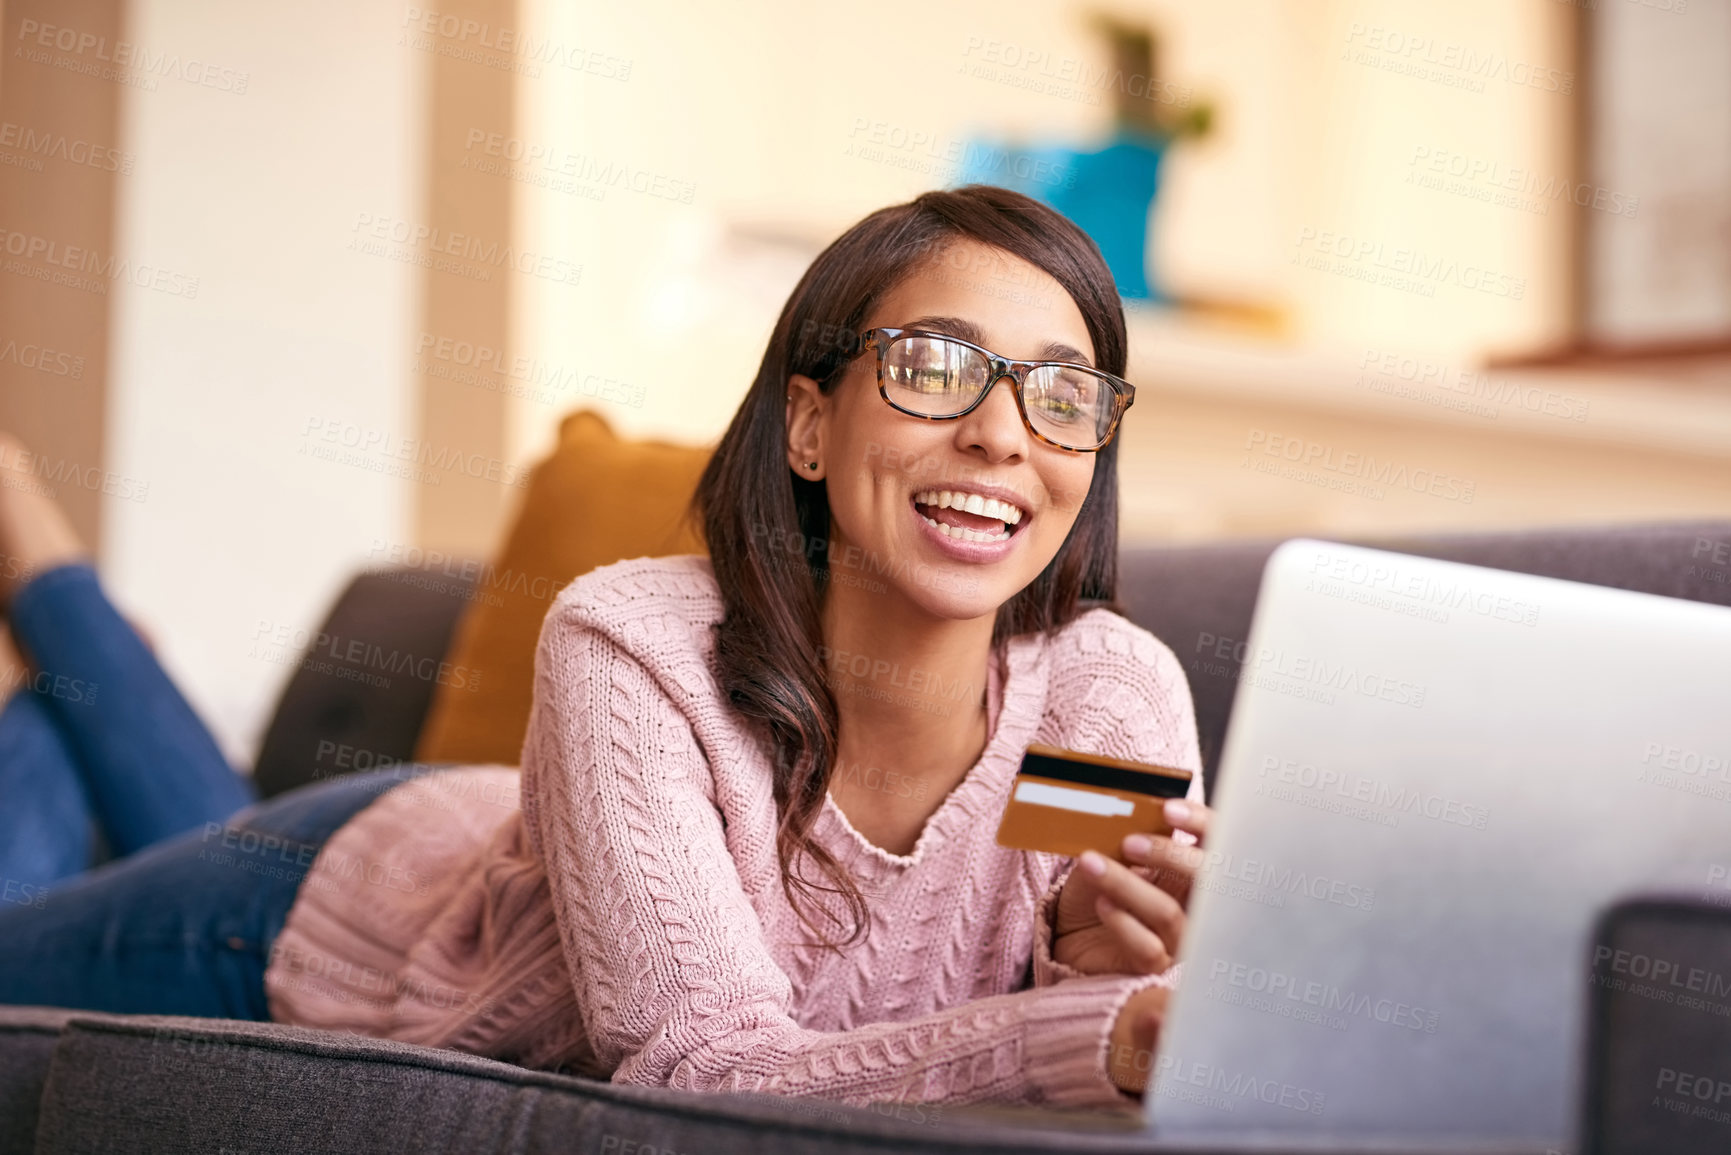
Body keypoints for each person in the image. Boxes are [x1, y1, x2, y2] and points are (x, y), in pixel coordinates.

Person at [0, 185, 1215, 1111]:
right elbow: (702, 1069)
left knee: (143, 794)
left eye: (1064, 394)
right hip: (326, 910)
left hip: (500, 832)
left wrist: (1099, 983)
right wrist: (1097, 1038)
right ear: (807, 423)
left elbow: (1073, 1051)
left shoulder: (1103, 703)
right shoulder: (638, 647)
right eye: (934, 369)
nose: (1005, 434)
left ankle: (45, 678)